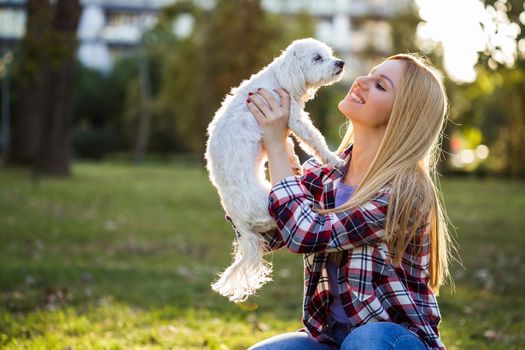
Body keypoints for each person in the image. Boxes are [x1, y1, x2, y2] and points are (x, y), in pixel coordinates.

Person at [244, 53, 453, 350]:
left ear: (403, 115)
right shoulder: (323, 174)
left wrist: (277, 144)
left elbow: (305, 233)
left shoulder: (405, 191)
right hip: (330, 337)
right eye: (370, 73)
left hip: (392, 339)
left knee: (365, 341)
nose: (362, 81)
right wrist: (255, 164)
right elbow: (272, 234)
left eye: (380, 85)